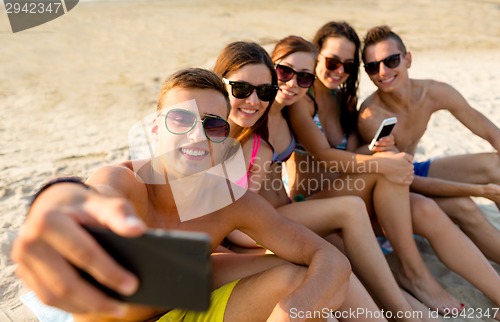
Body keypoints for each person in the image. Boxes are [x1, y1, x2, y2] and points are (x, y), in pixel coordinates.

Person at [11, 68, 354, 322]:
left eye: (212, 126)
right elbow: (88, 197)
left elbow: (327, 256)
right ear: (155, 128)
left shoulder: (229, 200)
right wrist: (54, 203)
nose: (196, 136)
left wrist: (292, 314)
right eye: (180, 119)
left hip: (181, 308)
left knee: (296, 275)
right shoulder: (125, 183)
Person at [287, 21, 500, 316]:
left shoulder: (340, 97)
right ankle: (415, 274)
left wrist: (372, 154)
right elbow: (325, 156)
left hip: (354, 193)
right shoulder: (303, 100)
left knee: (426, 208)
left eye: (347, 66)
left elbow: (351, 157)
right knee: (390, 167)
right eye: (332, 62)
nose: (338, 72)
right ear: (315, 57)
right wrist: (380, 160)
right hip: (316, 201)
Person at [213, 37, 427, 321]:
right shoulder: (221, 134)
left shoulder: (268, 126)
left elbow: (323, 151)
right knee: (342, 222)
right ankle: (402, 307)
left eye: (304, 78)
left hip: (269, 217)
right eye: (285, 73)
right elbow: (226, 221)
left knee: (336, 248)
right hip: (254, 230)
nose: (292, 84)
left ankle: (399, 302)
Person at [358, 25, 500, 265]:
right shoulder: (372, 116)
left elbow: (488, 130)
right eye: (373, 67)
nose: (383, 72)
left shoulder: (434, 92)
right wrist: (479, 190)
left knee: (496, 165)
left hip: (414, 169)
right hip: (393, 189)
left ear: (408, 59)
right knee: (464, 206)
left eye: (391, 60)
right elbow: (405, 179)